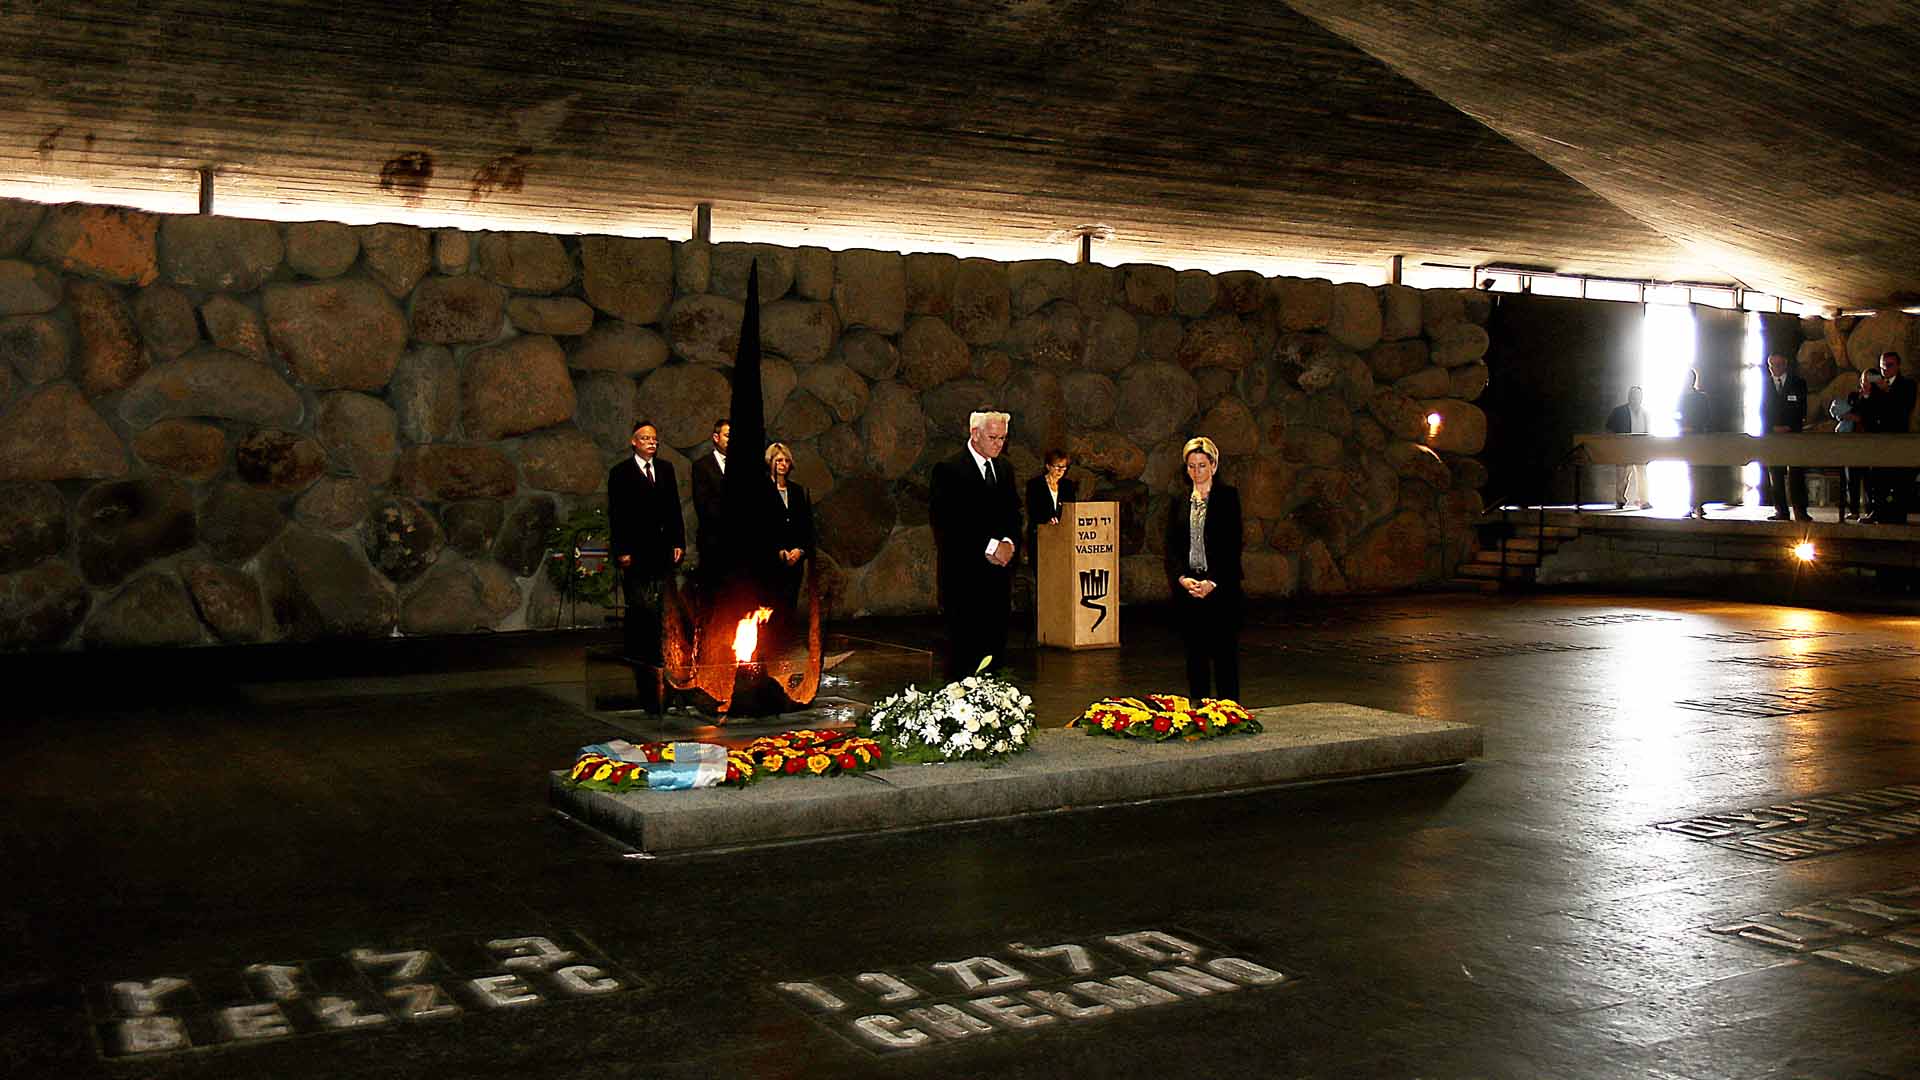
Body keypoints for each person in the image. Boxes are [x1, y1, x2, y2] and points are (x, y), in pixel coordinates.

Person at [930, 410, 1021, 680]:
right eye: (993, 437)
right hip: (964, 576)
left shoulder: (1004, 468)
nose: (999, 444)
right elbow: (947, 522)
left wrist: (1009, 543)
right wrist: (991, 545)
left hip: (998, 575)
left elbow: (1014, 513)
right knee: (964, 654)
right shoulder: (949, 469)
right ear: (975, 434)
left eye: (1003, 438)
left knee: (995, 648)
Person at [1163, 436, 1243, 703]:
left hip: (1220, 588)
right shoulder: (1179, 500)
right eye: (1191, 466)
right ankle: (1198, 710)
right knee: (1195, 653)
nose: (1196, 472)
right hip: (1190, 587)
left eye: (1201, 465)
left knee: (1224, 654)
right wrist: (1183, 578)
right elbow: (1171, 546)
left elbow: (1233, 545)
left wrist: (1213, 581)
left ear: (1213, 466)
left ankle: (1229, 711)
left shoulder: (1228, 498)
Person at [607, 420, 685, 679]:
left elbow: (674, 509)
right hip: (636, 549)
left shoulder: (665, 469)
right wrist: (622, 550)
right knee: (639, 602)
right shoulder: (621, 473)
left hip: (661, 547)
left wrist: (678, 542)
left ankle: (661, 650)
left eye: (654, 439)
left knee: (664, 601)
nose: (651, 443)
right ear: (634, 442)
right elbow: (617, 515)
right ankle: (637, 652)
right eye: (646, 439)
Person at [762, 441, 814, 652]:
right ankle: (769, 645)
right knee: (772, 603)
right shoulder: (762, 491)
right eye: (778, 460)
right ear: (770, 462)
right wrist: (778, 551)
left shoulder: (797, 491)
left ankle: (786, 645)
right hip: (772, 560)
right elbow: (761, 526)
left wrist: (800, 550)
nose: (782, 464)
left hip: (795, 557)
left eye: (786, 460)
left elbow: (806, 525)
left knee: (790, 602)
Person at [1866, 351, 1917, 524]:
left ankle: (1897, 513)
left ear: (1898, 366)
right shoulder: (1876, 385)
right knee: (1877, 478)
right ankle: (1877, 510)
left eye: (1889, 365)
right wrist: (1866, 392)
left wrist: (1886, 391)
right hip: (1878, 437)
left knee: (1897, 478)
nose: (1885, 369)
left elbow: (1903, 408)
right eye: (1882, 366)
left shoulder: (1908, 385)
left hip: (1897, 437)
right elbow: (1868, 409)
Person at [1759, 353, 1809, 522]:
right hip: (1773, 436)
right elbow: (1761, 410)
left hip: (1793, 435)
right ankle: (1781, 511)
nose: (1776, 368)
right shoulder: (1763, 385)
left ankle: (1800, 511)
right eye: (1773, 365)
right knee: (1776, 474)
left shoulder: (1798, 383)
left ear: (1785, 364)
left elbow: (1801, 409)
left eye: (1779, 364)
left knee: (1796, 473)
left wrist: (1790, 427)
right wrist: (1772, 428)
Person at [1830, 368, 1881, 522]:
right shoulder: (1853, 396)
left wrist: (1858, 416)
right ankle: (1853, 510)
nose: (1865, 383)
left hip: (1870, 443)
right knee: (1852, 477)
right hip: (1852, 442)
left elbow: (1868, 416)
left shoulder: (1878, 398)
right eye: (1863, 380)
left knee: (1869, 479)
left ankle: (1871, 510)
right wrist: (1851, 416)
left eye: (1868, 380)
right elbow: (1842, 412)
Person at [690, 417, 730, 582]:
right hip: (713, 541)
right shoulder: (702, 466)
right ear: (716, 437)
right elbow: (703, 504)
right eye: (728, 435)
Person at [1024, 448, 1077, 566]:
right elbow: (1032, 509)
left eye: (1064, 468)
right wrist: (1046, 522)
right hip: (1041, 537)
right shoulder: (1035, 484)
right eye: (1057, 467)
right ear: (1048, 466)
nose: (1061, 471)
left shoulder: (1068, 486)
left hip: (1062, 537)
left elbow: (1071, 509)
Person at [1604, 386, 1651, 509]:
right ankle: (1620, 500)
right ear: (1629, 396)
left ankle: (1644, 501)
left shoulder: (1645, 413)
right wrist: (1614, 444)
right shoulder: (1619, 411)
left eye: (1638, 395)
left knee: (1642, 474)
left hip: (1640, 447)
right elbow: (1609, 428)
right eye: (1634, 395)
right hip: (1623, 446)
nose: (1636, 398)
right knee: (1622, 475)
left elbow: (1647, 431)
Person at [1678, 369, 1712, 519]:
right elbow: (1675, 414)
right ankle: (1692, 504)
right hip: (1686, 438)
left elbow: (1706, 416)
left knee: (1699, 472)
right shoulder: (1681, 398)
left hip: (1698, 438)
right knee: (1689, 473)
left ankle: (1699, 504)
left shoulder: (1701, 397)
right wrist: (1682, 426)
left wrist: (1693, 426)